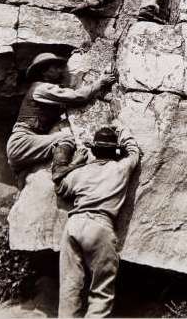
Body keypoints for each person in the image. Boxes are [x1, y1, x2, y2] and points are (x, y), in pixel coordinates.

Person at [53, 125, 142, 318]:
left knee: (70, 285)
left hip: (74, 224)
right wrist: (122, 130)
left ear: (93, 150)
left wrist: (75, 163)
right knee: (101, 291)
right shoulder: (121, 168)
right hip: (100, 226)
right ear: (115, 151)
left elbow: (59, 186)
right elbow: (134, 151)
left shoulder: (80, 172)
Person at [6, 53, 116, 173]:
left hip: (27, 144)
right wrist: (100, 82)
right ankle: (60, 169)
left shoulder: (48, 93)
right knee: (65, 138)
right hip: (22, 142)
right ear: (44, 72)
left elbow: (71, 102)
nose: (60, 71)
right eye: (55, 67)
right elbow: (77, 97)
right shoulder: (42, 89)